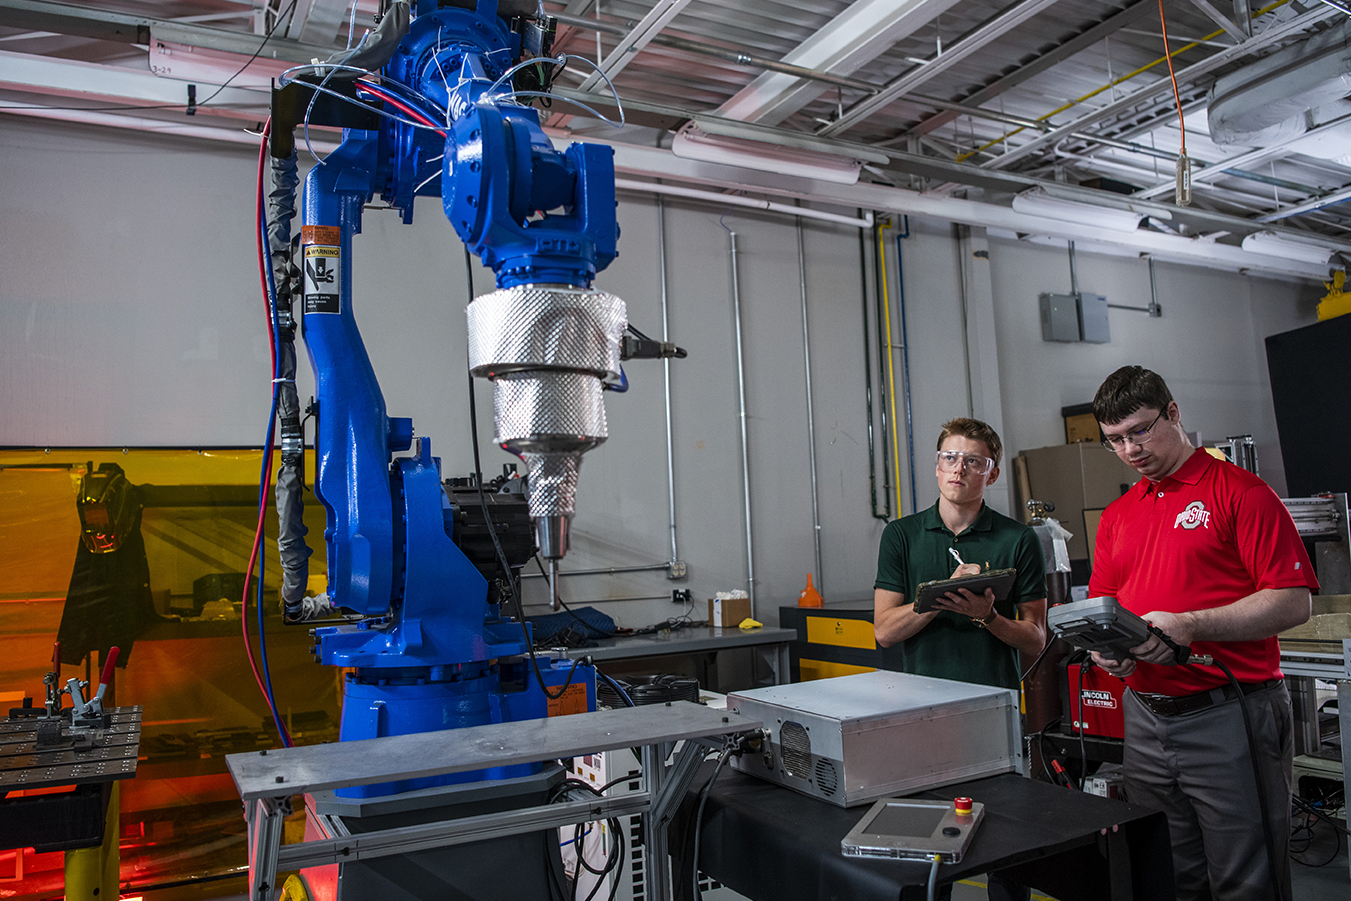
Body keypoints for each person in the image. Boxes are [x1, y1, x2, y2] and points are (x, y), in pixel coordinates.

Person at [1088, 365, 1314, 901]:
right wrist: (1107, 651)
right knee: (1170, 874)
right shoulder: (1119, 515)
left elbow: (1293, 601)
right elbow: (1105, 608)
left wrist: (1191, 625)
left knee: (1246, 878)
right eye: (1115, 440)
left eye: (1141, 430)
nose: (1130, 449)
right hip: (1145, 717)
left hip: (1230, 714)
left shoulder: (1241, 493)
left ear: (1173, 413)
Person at [874, 417, 1047, 901]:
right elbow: (885, 631)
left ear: (990, 474)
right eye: (950, 457)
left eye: (973, 461)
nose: (959, 469)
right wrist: (937, 598)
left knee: (1007, 844)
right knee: (928, 846)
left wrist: (988, 616)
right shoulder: (902, 536)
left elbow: (1035, 638)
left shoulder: (1017, 540)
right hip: (921, 714)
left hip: (995, 713)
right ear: (935, 467)